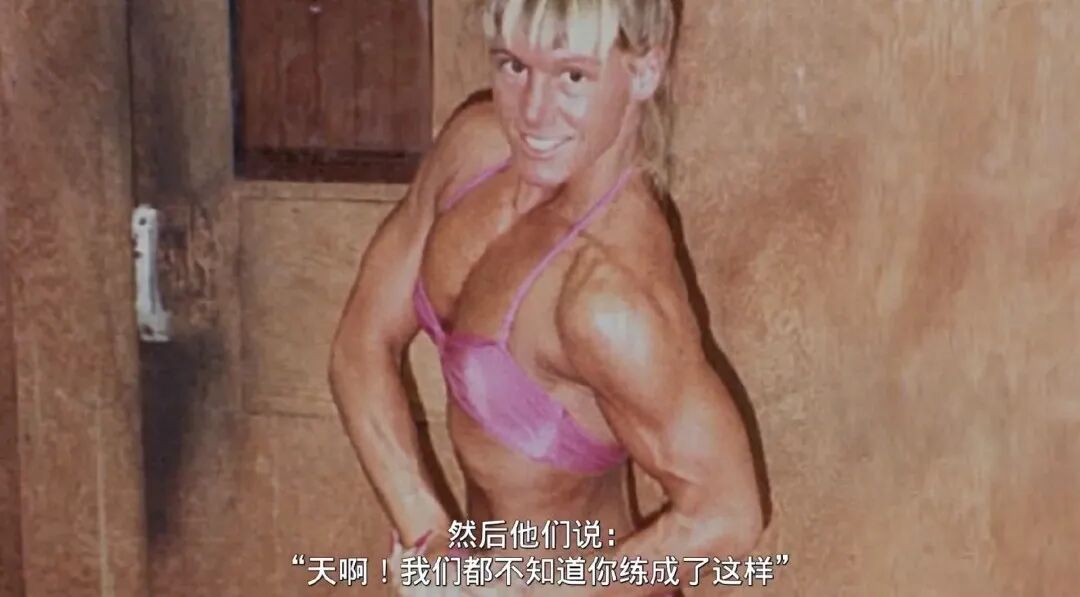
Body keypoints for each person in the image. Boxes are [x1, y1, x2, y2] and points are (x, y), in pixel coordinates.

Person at [329, 1, 763, 594]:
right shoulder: (473, 150)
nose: (531, 112)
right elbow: (360, 343)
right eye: (513, 65)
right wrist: (430, 534)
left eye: (573, 76)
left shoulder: (610, 296)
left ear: (644, 71)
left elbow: (728, 515)